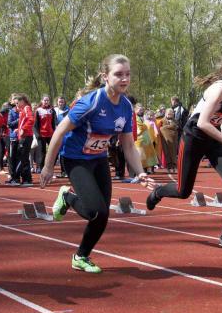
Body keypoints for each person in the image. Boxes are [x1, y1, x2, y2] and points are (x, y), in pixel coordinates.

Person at [40, 54, 151, 273]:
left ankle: (81, 256)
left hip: (99, 159)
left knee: (102, 215)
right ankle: (67, 196)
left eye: (127, 74)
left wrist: (140, 173)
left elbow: (128, 144)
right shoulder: (92, 102)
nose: (124, 79)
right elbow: (60, 131)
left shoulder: (126, 106)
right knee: (95, 211)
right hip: (75, 158)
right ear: (105, 76)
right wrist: (48, 166)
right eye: (118, 74)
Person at [146, 50, 222, 252]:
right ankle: (158, 192)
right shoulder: (218, 89)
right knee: (183, 191)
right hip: (193, 137)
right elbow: (202, 122)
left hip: (213, 139)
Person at [34, 95, 56, 170]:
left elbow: (54, 122)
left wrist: (55, 132)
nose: (46, 102)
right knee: (42, 152)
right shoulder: (38, 110)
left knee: (53, 151)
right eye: (45, 100)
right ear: (42, 101)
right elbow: (35, 124)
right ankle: (40, 168)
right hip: (41, 135)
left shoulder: (52, 110)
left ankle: (50, 167)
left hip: (50, 134)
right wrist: (37, 134)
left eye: (47, 100)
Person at [158, 108, 179, 173]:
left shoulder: (175, 120)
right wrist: (165, 128)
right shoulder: (162, 121)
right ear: (166, 114)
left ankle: (174, 166)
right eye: (169, 114)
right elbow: (160, 129)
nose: (170, 115)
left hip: (173, 139)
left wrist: (165, 127)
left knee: (173, 153)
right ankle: (169, 166)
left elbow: (175, 127)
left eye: (171, 114)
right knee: (166, 152)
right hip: (165, 139)